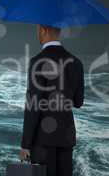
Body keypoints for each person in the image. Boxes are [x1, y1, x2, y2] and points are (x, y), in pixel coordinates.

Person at [19, 25, 84, 176]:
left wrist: (25, 145)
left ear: (43, 30)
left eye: (37, 30)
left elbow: (33, 106)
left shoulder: (37, 61)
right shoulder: (76, 62)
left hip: (43, 140)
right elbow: (78, 102)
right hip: (66, 138)